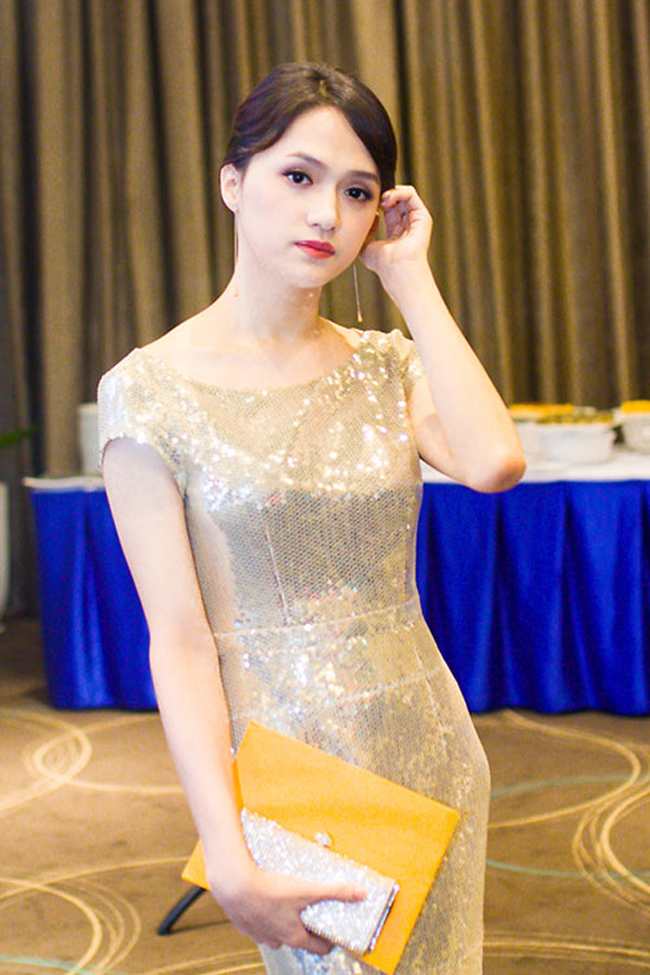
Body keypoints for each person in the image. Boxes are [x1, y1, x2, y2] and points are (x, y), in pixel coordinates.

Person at [98, 62, 525, 975]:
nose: (327, 213)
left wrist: (410, 279)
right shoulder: (149, 392)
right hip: (291, 773)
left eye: (358, 191)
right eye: (298, 175)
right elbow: (180, 642)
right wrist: (225, 852)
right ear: (232, 182)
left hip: (427, 744)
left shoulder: (387, 365)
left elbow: (494, 462)